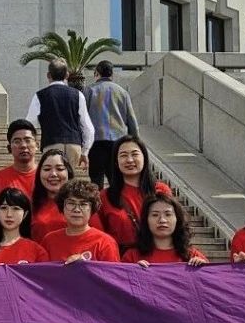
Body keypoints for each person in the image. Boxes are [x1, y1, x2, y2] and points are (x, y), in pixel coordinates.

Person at [96, 136, 173, 253]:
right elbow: (97, 236)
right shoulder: (104, 196)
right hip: (120, 259)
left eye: (135, 154)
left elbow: (174, 226)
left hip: (156, 257)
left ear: (144, 158)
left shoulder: (160, 190)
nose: (130, 160)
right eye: (123, 155)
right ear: (116, 162)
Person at [26, 60, 94, 170]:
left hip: (51, 143)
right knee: (68, 178)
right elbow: (87, 127)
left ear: (48, 75)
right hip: (74, 144)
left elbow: (30, 123)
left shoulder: (40, 95)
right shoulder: (78, 95)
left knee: (53, 177)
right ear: (67, 75)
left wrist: (32, 143)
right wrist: (85, 152)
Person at [86, 61, 140, 189]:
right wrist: (136, 142)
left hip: (95, 142)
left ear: (97, 73)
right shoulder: (122, 92)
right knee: (116, 180)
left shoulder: (89, 90)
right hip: (118, 143)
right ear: (112, 74)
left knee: (96, 180)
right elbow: (131, 121)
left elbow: (83, 118)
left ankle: (97, 201)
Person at [43, 179, 120, 263]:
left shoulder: (105, 242)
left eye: (83, 204)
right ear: (62, 207)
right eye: (71, 203)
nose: (77, 210)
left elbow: (112, 271)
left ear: (92, 209)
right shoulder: (49, 240)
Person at [127, 192, 208, 267]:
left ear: (177, 219)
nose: (162, 220)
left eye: (168, 214)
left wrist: (203, 269)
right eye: (155, 215)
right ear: (146, 220)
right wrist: (133, 271)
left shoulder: (192, 256)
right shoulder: (132, 257)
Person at [0, 188, 48, 266]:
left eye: (16, 208)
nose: (9, 214)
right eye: (4, 208)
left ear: (25, 214)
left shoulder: (37, 252)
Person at [0, 120, 40, 206]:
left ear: (37, 145)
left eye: (28, 140)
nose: (23, 145)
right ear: (9, 148)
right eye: (17, 141)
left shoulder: (46, 176)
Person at [29, 147, 72, 244]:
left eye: (60, 169)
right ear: (39, 173)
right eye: (47, 169)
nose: (53, 174)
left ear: (68, 172)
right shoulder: (30, 204)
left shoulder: (82, 203)